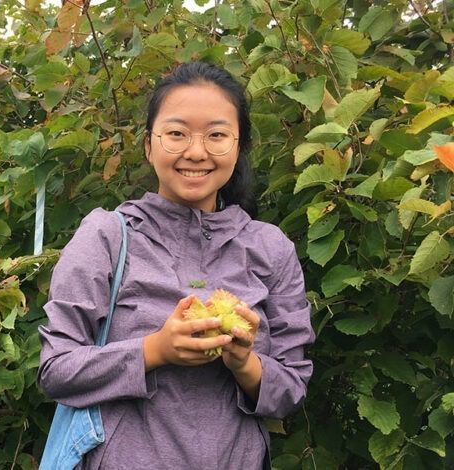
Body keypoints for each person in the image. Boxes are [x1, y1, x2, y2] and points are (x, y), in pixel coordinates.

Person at [38, 61, 314, 469]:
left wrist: (244, 362)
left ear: (238, 147)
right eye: (177, 133)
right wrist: (156, 349)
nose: (196, 151)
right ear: (149, 145)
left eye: (217, 135)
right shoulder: (108, 236)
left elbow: (292, 388)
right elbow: (56, 370)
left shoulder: (270, 248)